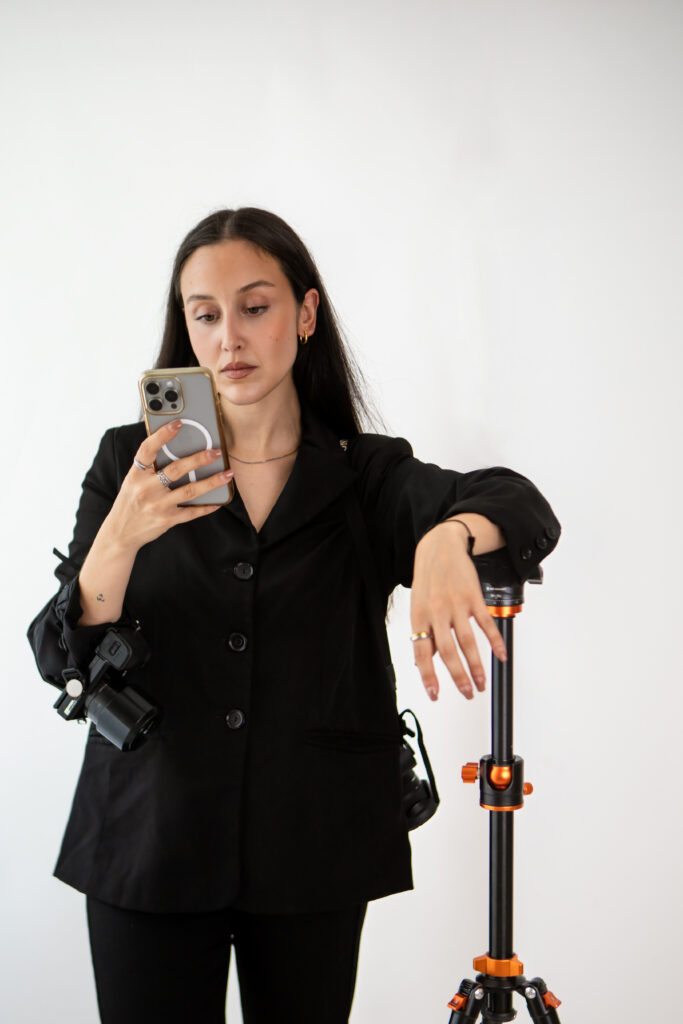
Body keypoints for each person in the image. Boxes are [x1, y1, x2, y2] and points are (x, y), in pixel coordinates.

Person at [27, 207, 560, 1024]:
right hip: (147, 834)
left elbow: (518, 503)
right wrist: (119, 539)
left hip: (315, 841)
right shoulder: (128, 464)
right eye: (205, 315)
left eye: (254, 307)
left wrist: (445, 539)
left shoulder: (363, 475)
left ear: (305, 313)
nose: (229, 338)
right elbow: (61, 658)